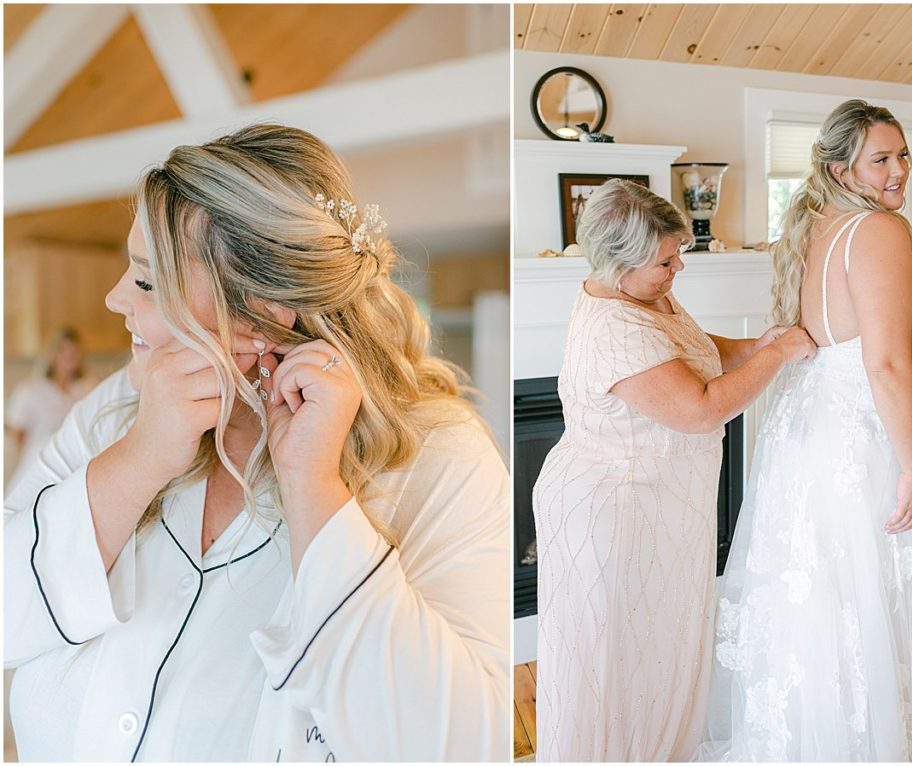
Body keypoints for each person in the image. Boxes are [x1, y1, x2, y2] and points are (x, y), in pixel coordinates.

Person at [4, 124, 510, 762]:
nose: (114, 299)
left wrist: (314, 490)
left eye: (147, 281)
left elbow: (457, 746)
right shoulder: (113, 409)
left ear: (265, 309)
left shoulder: (439, 457)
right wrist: (139, 457)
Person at [696, 100, 912, 761]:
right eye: (882, 159)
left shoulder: (820, 227)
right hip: (867, 437)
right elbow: (887, 362)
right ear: (840, 167)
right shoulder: (878, 233)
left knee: (833, 606)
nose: (900, 171)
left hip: (817, 435)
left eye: (903, 155)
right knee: (876, 595)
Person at [532, 179, 816, 762]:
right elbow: (701, 407)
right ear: (619, 264)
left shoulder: (643, 297)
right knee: (618, 660)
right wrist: (778, 356)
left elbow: (690, 348)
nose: (678, 267)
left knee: (655, 647)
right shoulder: (614, 330)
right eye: (667, 260)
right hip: (611, 515)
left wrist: (756, 342)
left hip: (654, 506)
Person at [5, 328, 96, 490]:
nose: (69, 356)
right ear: (52, 355)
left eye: (74, 351)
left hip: (78, 465)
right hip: (37, 463)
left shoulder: (89, 388)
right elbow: (16, 434)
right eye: (63, 350)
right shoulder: (30, 390)